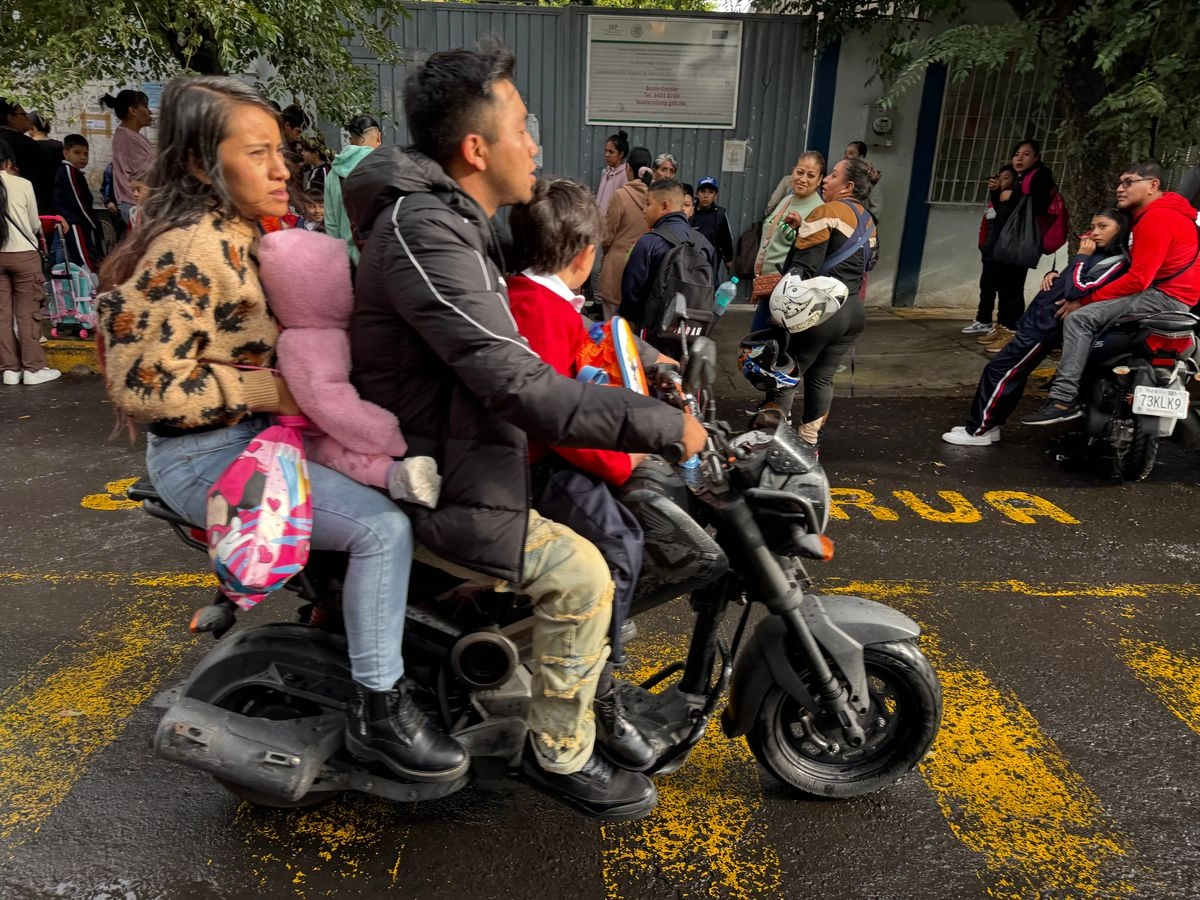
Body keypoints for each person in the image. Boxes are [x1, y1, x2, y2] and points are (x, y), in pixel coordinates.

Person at [343, 47, 706, 821]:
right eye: (522, 128)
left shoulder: (461, 222)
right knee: (585, 575)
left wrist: (644, 358)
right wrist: (664, 427)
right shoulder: (425, 231)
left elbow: (563, 304)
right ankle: (561, 750)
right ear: (477, 149)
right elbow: (519, 382)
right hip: (444, 470)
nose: (534, 145)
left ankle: (583, 688)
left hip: (473, 448)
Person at [95, 75, 467, 785]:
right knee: (381, 529)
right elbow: (143, 384)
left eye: (281, 151)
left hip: (257, 437)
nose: (280, 168)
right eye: (257, 153)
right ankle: (381, 713)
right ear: (201, 164)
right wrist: (271, 388)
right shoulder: (193, 246)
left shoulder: (250, 232)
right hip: (209, 453)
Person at [505, 177, 658, 770]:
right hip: (533, 468)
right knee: (620, 541)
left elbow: (588, 365)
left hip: (529, 458)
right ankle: (600, 684)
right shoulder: (539, 311)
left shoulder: (531, 297)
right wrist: (626, 457)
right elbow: (560, 422)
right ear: (586, 256)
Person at [1022, 161, 1200, 425]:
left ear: (1152, 185)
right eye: (1120, 182)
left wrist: (1085, 300)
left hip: (1163, 297)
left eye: (1128, 182)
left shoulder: (1156, 218)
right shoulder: (1161, 214)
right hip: (1174, 298)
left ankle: (1063, 399)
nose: (1120, 188)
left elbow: (1138, 279)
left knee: (1079, 319)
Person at [943, 207, 1132, 445]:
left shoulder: (1114, 262)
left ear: (1121, 229)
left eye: (1103, 227)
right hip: (1037, 320)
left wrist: (1081, 257)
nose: (1095, 232)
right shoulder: (1097, 253)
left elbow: (1078, 290)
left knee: (1000, 371)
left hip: (1045, 327)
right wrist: (1055, 275)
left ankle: (978, 431)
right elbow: (1073, 280)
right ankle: (988, 425)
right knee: (1011, 373)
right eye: (1093, 227)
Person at [753, 157, 878, 445]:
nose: (826, 180)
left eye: (832, 175)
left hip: (821, 310)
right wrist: (804, 228)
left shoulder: (825, 211)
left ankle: (774, 444)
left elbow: (803, 268)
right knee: (821, 378)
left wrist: (781, 307)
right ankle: (809, 444)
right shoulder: (868, 220)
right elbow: (868, 263)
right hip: (852, 313)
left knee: (787, 372)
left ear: (847, 186)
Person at [982, 139, 1059, 353]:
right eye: (1017, 154)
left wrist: (1014, 195)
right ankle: (1002, 326)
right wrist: (996, 191)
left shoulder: (1040, 176)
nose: (1019, 158)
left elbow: (1039, 204)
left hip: (1019, 242)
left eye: (1026, 154)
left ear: (1036, 158)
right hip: (1005, 242)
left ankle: (1012, 332)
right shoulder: (1019, 177)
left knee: (1013, 288)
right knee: (1003, 286)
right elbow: (1003, 206)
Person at [618, 178, 716, 331]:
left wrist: (634, 323)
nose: (644, 210)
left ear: (664, 206)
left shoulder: (648, 243)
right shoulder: (704, 244)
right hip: (691, 332)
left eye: (648, 204)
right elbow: (712, 289)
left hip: (652, 332)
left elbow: (631, 293)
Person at [1, 140, 60, 385]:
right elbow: (35, 225)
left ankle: (10, 369)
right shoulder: (23, 184)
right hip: (24, 255)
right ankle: (33, 369)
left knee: (2, 315)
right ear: (8, 163)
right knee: (27, 314)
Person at [752, 151, 825, 330]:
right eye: (800, 172)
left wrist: (802, 227)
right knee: (759, 341)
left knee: (761, 342)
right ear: (793, 172)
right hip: (768, 286)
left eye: (811, 175)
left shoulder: (819, 210)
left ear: (820, 180)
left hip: (788, 294)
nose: (803, 179)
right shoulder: (786, 200)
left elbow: (814, 253)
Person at [961, 164, 1018, 336]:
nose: (1001, 181)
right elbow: (985, 226)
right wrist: (982, 245)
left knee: (1004, 290)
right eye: (1000, 177)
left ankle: (1003, 325)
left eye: (1006, 178)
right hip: (989, 250)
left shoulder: (1011, 200)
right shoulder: (995, 201)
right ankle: (983, 320)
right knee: (986, 287)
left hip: (1001, 252)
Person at [597, 145, 652, 321]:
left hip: (616, 268)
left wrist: (606, 254)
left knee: (612, 326)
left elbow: (607, 236)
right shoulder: (654, 198)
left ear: (628, 168)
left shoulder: (620, 196)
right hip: (642, 270)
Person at [324, 114, 381, 264]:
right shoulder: (383, 167)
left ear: (350, 140)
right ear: (378, 138)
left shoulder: (333, 175)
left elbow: (331, 224)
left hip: (349, 262)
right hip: (380, 260)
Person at [101, 90, 153, 225]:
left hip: (133, 204)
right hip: (136, 204)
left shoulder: (128, 135)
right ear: (133, 110)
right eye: (145, 106)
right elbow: (149, 173)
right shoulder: (129, 138)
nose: (150, 112)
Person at [54, 134, 101, 268]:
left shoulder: (74, 171)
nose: (82, 157)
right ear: (66, 153)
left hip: (78, 222)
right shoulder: (69, 171)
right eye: (77, 152)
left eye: (86, 154)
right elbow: (77, 200)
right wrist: (93, 222)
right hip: (74, 222)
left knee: (85, 257)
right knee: (85, 260)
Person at [1, 99, 55, 215]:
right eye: (24, 114)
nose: (27, 118)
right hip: (24, 210)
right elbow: (41, 183)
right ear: (11, 118)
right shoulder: (26, 144)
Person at [691, 176, 734, 281]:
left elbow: (726, 238)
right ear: (697, 194)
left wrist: (728, 259)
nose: (706, 196)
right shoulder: (690, 211)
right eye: (703, 192)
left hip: (712, 261)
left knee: (710, 284)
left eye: (710, 192)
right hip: (690, 259)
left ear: (716, 195)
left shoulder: (720, 214)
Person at [595, 130, 629, 217]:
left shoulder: (624, 175)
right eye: (606, 151)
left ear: (621, 154)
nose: (607, 155)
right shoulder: (606, 173)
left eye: (611, 152)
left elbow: (623, 205)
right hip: (599, 220)